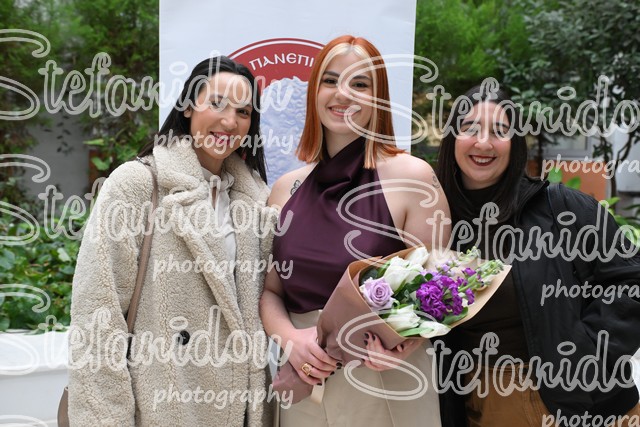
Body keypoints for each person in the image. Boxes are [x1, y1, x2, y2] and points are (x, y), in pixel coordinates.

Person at [68, 56, 276, 426]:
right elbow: (97, 314)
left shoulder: (254, 200)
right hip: (163, 407)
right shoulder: (136, 184)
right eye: (217, 103)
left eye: (243, 112)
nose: (230, 121)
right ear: (187, 107)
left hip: (239, 408)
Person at [260, 35, 451, 426]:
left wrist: (408, 342)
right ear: (314, 93)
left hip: (385, 378)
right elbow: (271, 292)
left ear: (378, 98)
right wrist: (290, 339)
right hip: (304, 378)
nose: (342, 94)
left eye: (359, 84)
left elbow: (442, 285)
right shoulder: (284, 190)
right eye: (330, 81)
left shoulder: (414, 178)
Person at [435, 81, 640, 427]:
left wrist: (587, 358)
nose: (483, 142)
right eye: (470, 128)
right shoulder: (436, 220)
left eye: (499, 131)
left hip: (593, 405)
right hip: (490, 398)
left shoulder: (562, 207)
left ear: (515, 143)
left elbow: (630, 280)